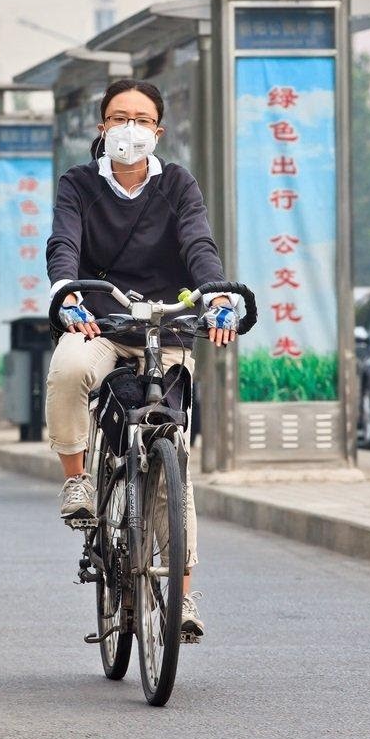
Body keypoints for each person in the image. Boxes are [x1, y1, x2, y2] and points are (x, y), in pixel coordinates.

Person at [45, 78, 239, 638]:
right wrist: (69, 293)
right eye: (118, 116)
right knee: (69, 369)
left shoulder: (177, 184)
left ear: (158, 130)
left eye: (141, 118)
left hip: (166, 325)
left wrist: (218, 294)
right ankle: (78, 480)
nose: (130, 127)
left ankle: (181, 598)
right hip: (101, 321)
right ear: (102, 126)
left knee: (171, 458)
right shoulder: (78, 184)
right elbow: (64, 245)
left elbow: (199, 245)